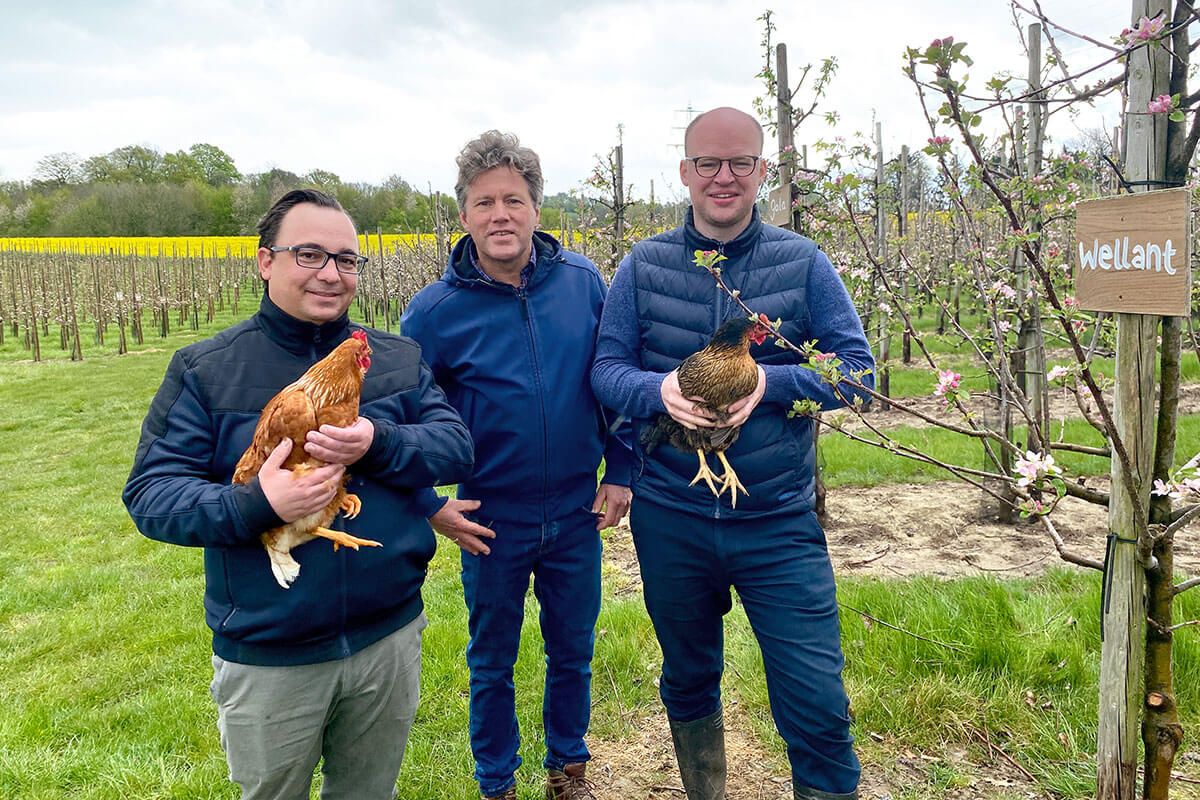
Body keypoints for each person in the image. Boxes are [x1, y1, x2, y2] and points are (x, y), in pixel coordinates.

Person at [123, 189, 474, 800]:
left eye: (346, 259)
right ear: (265, 261)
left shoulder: (394, 359)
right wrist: (260, 504)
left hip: (386, 636)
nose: (331, 274)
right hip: (271, 651)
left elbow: (454, 447)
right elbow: (153, 495)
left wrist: (378, 442)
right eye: (309, 255)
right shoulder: (209, 370)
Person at [590, 107, 875, 800]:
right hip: (672, 516)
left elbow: (859, 374)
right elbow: (605, 369)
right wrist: (657, 390)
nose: (724, 177)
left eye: (739, 163)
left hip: (776, 520)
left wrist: (769, 384)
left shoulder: (802, 262)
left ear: (762, 173)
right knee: (687, 678)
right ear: (686, 172)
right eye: (708, 164)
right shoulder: (644, 265)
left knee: (816, 698)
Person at [400, 130, 633, 800]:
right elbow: (389, 417)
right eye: (483, 203)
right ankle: (496, 782)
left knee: (573, 651)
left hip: (573, 511)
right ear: (465, 216)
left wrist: (621, 468)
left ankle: (569, 770)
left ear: (536, 208)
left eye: (513, 199)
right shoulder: (436, 312)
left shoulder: (586, 286)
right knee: (492, 661)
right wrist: (429, 503)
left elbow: (616, 380)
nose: (500, 214)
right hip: (488, 518)